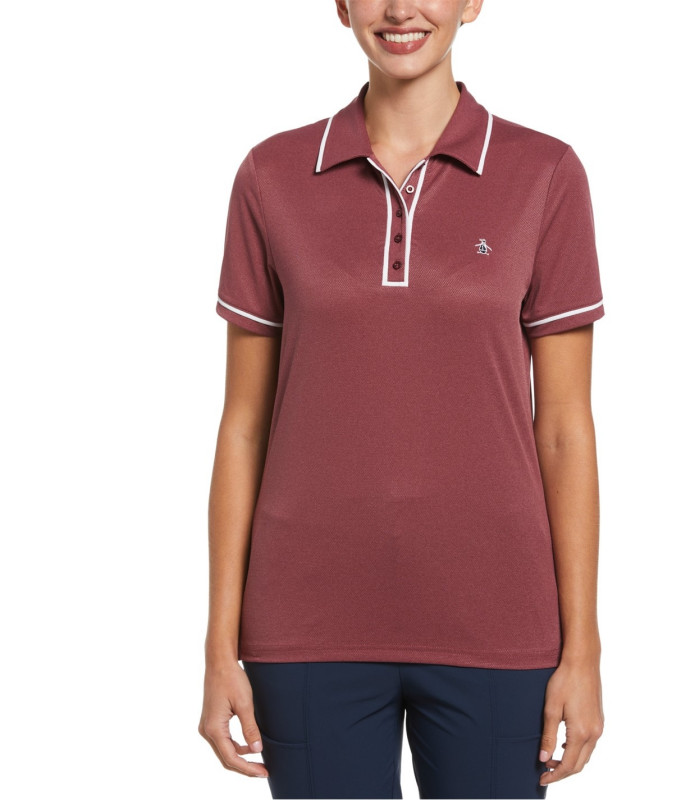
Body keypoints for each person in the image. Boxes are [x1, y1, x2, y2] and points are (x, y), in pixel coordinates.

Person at [198, 1, 605, 797]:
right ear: (341, 5)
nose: (399, 9)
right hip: (306, 625)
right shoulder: (271, 176)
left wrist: (584, 648)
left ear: (473, 2)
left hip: (498, 621)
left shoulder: (546, 174)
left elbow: (563, 428)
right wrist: (218, 648)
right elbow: (242, 427)